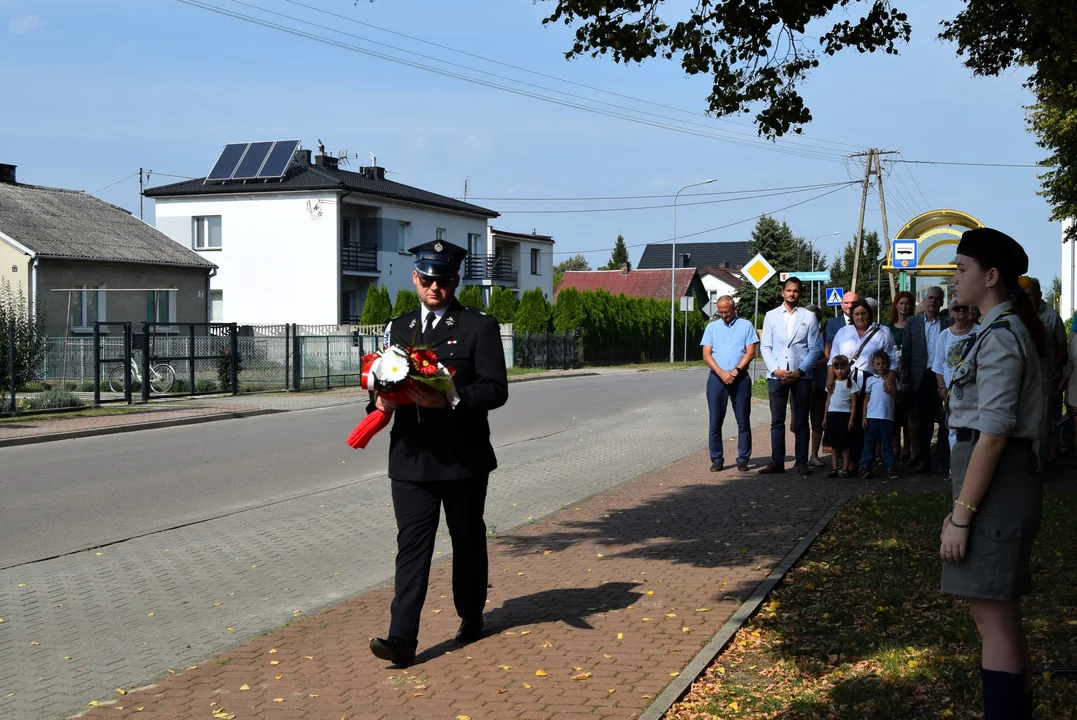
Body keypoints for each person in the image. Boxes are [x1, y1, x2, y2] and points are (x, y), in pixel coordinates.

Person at [368, 239, 509, 668]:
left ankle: (471, 614)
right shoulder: (400, 325)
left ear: (455, 281)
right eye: (428, 279)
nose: (435, 288)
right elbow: (383, 379)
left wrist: (450, 399)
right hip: (410, 458)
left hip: (461, 458)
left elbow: (495, 389)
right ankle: (402, 639)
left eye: (444, 281)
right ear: (415, 278)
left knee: (466, 540)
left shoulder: (477, 326)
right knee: (411, 546)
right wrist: (378, 401)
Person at [939, 227, 1045, 720]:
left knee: (991, 616)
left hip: (997, 481)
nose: (953, 278)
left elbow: (996, 431)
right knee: (999, 613)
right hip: (993, 480)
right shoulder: (994, 329)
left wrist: (961, 516)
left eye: (961, 269)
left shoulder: (1002, 336)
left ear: (992, 276)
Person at [759, 276, 823, 475]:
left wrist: (800, 371)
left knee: (801, 420)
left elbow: (815, 348)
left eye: (796, 291)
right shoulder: (771, 316)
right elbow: (766, 346)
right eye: (789, 290)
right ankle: (777, 461)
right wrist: (775, 369)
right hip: (777, 375)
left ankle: (801, 461)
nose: (792, 294)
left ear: (800, 294)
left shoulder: (808, 317)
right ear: (783, 293)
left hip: (801, 376)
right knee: (777, 420)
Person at [827, 299, 897, 466]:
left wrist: (889, 379)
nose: (860, 317)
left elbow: (893, 361)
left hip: (871, 382)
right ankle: (850, 462)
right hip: (846, 382)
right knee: (848, 422)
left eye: (863, 313)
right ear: (852, 315)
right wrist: (830, 379)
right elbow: (832, 358)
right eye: (857, 314)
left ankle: (866, 461)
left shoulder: (883, 332)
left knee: (866, 422)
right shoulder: (843, 333)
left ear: (870, 314)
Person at [701, 296, 758, 472]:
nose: (724, 315)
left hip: (739, 378)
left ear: (735, 308)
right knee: (715, 421)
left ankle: (743, 458)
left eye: (727, 311)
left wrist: (736, 371)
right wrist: (721, 373)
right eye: (720, 312)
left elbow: (751, 352)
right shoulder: (712, 327)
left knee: (743, 420)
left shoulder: (746, 325)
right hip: (717, 379)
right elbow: (706, 354)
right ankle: (717, 458)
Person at [902, 286, 953, 475]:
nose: (932, 301)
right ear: (924, 299)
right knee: (921, 422)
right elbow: (906, 352)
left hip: (940, 378)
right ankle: (923, 460)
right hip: (919, 377)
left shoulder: (948, 323)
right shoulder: (912, 322)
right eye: (930, 297)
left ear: (941, 302)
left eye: (937, 298)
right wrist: (905, 379)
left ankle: (941, 460)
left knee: (944, 419)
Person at [1022, 277, 1068, 469]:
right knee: (1023, 421)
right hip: (1023, 379)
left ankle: (1039, 466)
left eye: (1030, 295)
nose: (1027, 299)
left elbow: (1062, 346)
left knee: (1043, 422)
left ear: (1039, 295)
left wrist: (1055, 367)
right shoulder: (1018, 316)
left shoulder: (1051, 317)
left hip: (1045, 377)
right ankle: (1023, 465)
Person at [930, 301, 978, 452]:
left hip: (974, 390)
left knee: (974, 428)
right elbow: (938, 365)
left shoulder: (980, 331)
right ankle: (955, 468)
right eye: (957, 309)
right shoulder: (944, 335)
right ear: (951, 313)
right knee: (952, 429)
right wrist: (942, 387)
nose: (961, 311)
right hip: (951, 391)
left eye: (964, 307)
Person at [859, 350, 900, 480]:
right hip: (872, 417)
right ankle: (865, 466)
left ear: (888, 364)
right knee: (869, 442)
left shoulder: (893, 380)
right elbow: (866, 399)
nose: (881, 366)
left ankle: (890, 468)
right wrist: (864, 417)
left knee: (887, 444)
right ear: (873, 365)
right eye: (878, 363)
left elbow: (899, 399)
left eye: (883, 363)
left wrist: (893, 391)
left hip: (887, 417)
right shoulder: (870, 380)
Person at [822, 354, 860, 478]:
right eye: (837, 368)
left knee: (846, 444)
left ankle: (845, 468)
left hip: (845, 416)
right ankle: (834, 468)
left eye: (842, 367)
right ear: (833, 369)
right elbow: (828, 400)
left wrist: (852, 419)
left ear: (847, 368)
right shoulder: (831, 384)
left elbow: (854, 402)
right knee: (834, 445)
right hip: (833, 415)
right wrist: (825, 417)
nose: (840, 370)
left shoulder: (851, 383)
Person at [888, 290, 916, 462]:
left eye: (907, 303)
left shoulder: (915, 325)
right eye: (901, 303)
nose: (904, 306)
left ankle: (909, 447)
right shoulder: (888, 327)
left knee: (909, 412)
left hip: (910, 374)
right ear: (896, 305)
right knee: (894, 411)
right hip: (893, 373)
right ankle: (895, 445)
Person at [805, 304, 829, 468]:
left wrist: (810, 365)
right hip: (802, 382)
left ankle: (814, 455)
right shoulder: (799, 333)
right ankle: (801, 455)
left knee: (817, 421)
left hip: (819, 383)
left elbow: (827, 357)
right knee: (798, 422)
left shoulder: (824, 335)